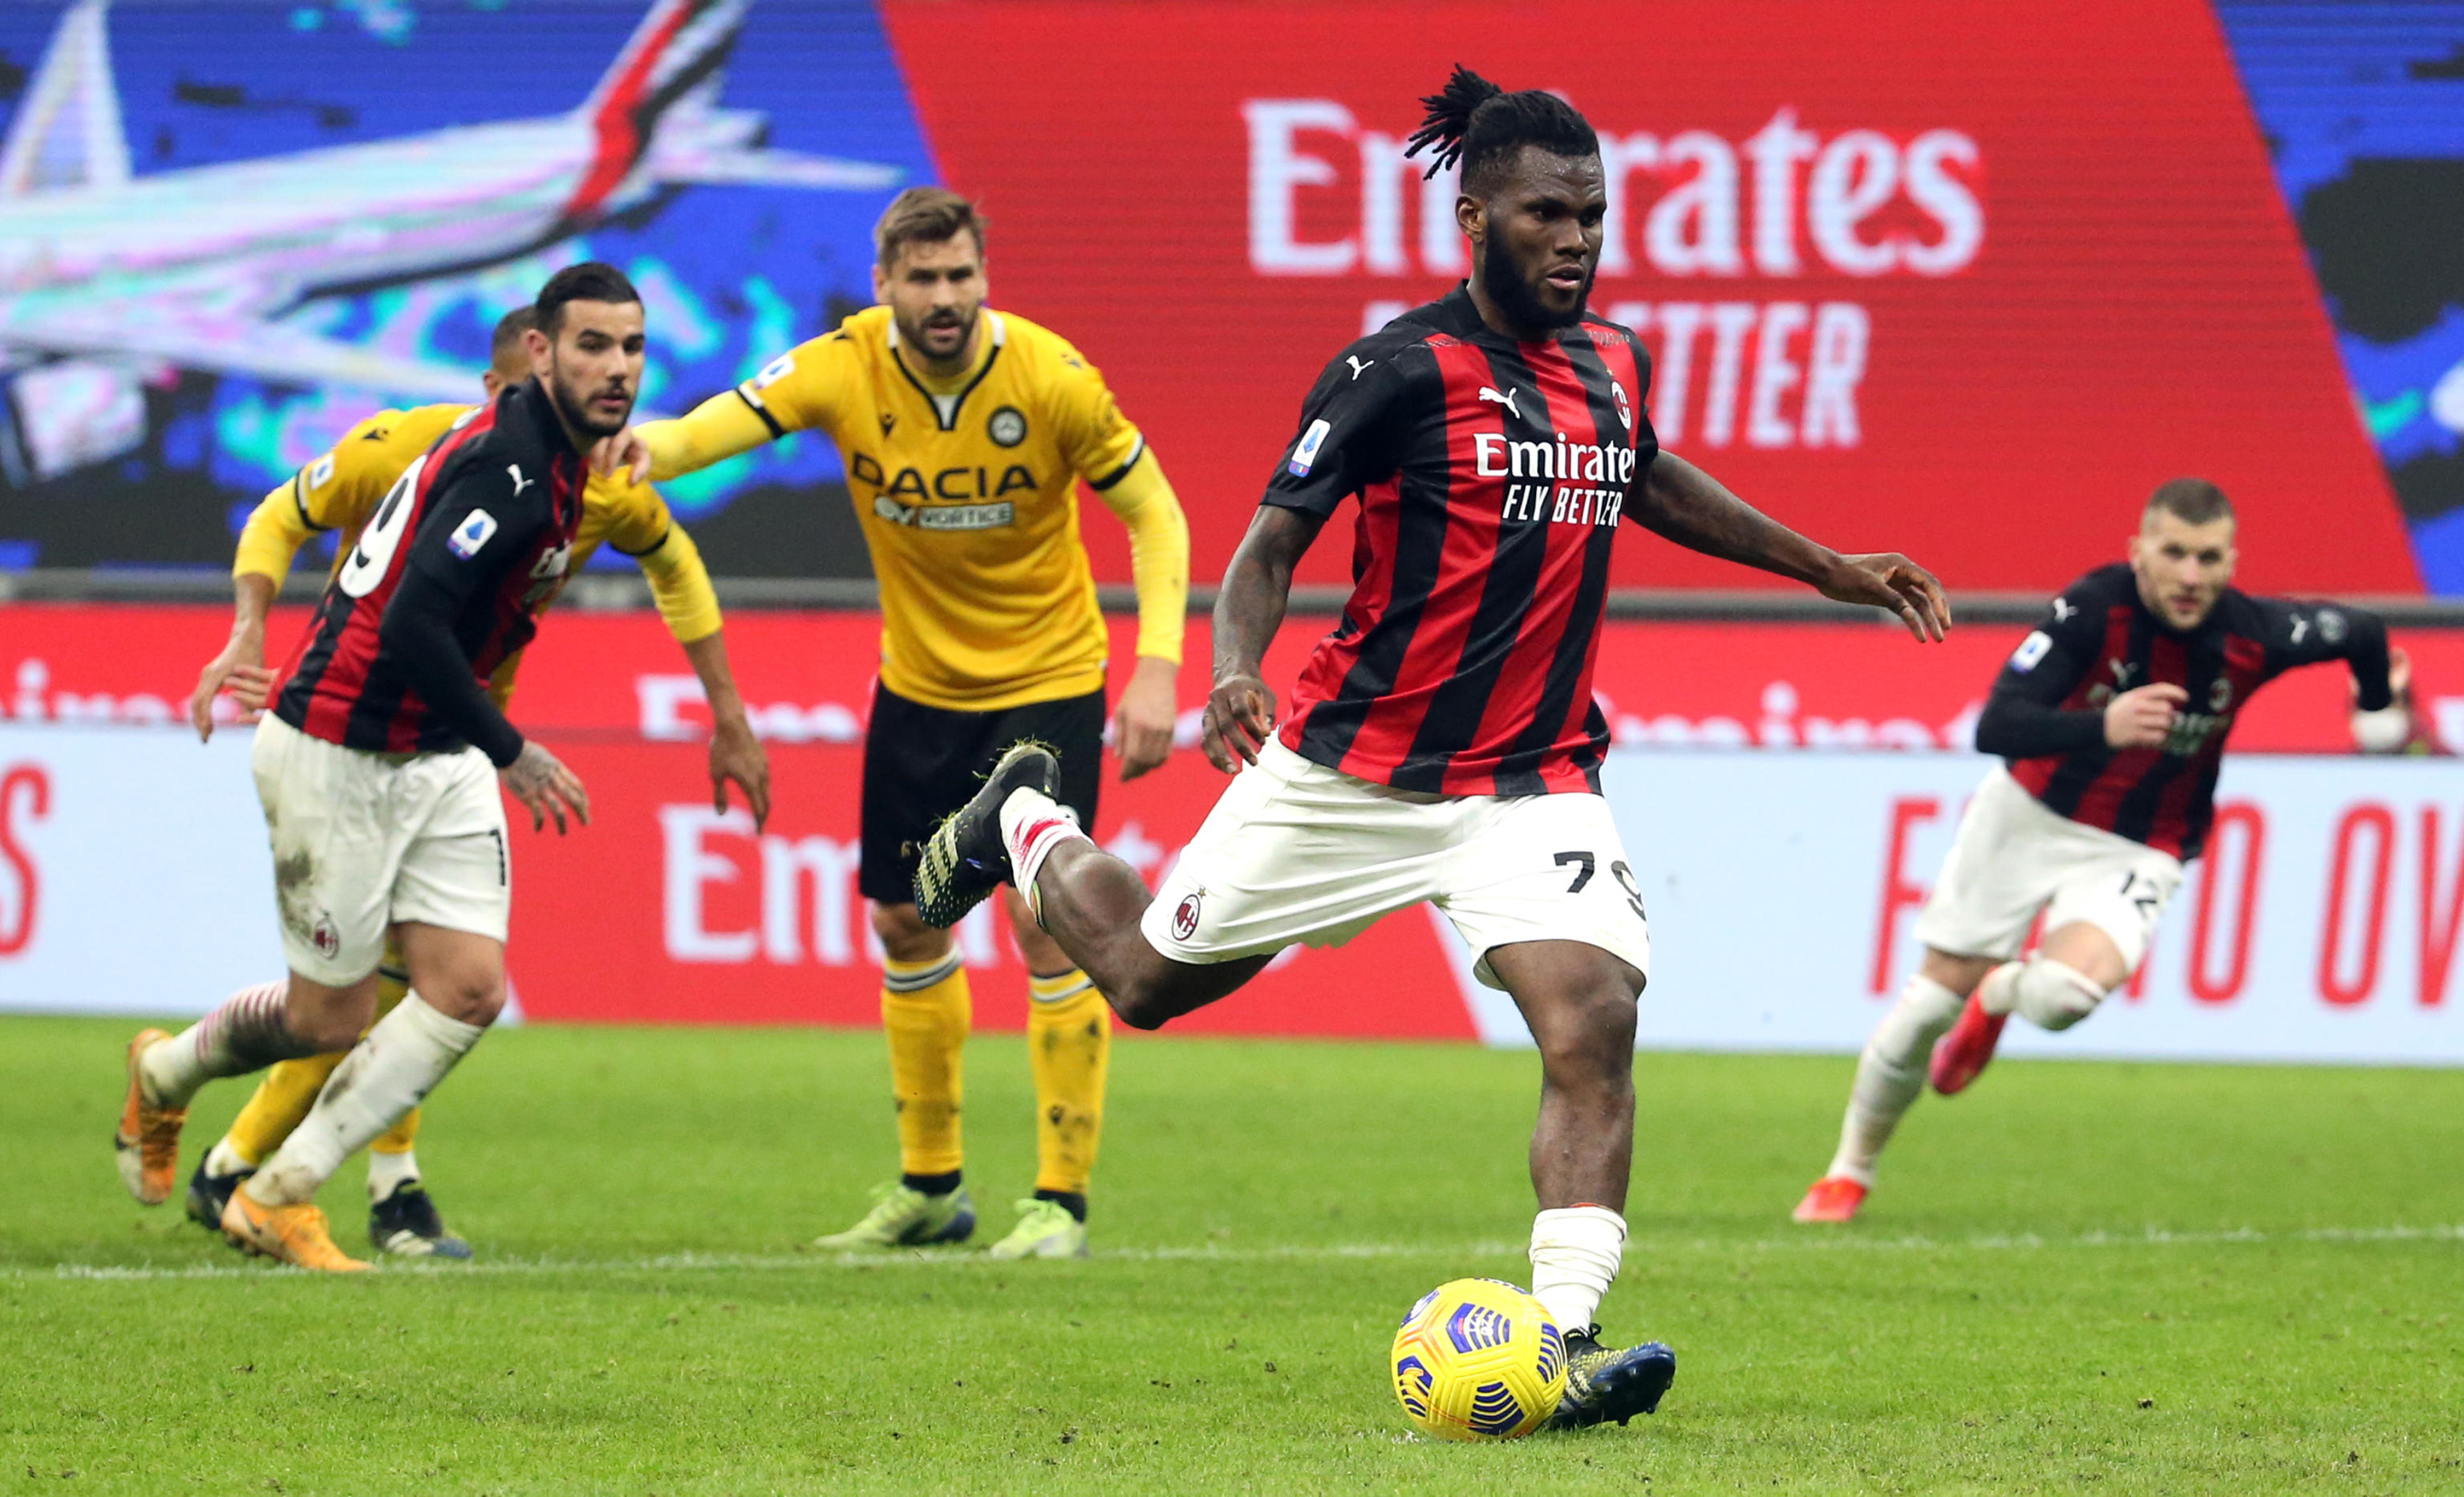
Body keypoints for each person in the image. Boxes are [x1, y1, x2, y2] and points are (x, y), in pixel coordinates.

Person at [906, 70, 1949, 1428]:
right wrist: (1234, 670)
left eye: (1594, 215)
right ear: (1473, 214)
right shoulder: (1393, 370)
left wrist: (1828, 569)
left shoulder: (1613, 360)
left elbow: (1646, 475)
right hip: (1355, 771)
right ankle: (1025, 823)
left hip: (1533, 780)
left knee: (1593, 1017)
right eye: (1546, 215)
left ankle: (1560, 1341)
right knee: (1147, 982)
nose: (1576, 240)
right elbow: (1268, 545)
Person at [609, 188, 1190, 1260]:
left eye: (961, 276)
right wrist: (646, 448)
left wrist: (1158, 669)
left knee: (1043, 921)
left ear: (983, 277)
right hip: (918, 689)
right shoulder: (842, 363)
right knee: (906, 923)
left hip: (1047, 683)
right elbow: (712, 426)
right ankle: (932, 1188)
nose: (945, 298)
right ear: (883, 287)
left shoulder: (1052, 378)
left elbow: (1154, 511)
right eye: (922, 279)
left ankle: (1058, 1201)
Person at [161, 305, 770, 1259]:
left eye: (630, 350)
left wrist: (728, 714)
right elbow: (284, 514)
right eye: (588, 352)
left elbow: (676, 562)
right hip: (362, 730)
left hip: (455, 739)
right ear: (515, 382)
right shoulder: (423, 445)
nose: (612, 372)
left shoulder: (593, 484)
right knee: (348, 1004)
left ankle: (320, 1182)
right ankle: (221, 1133)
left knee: (448, 986)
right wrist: (248, 628)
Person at [1793, 479, 2393, 1225]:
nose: (2190, 575)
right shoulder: (2092, 608)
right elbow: (1997, 723)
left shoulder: (2258, 633)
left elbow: (2363, 631)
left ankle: (1999, 996)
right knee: (1923, 1012)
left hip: (2141, 845)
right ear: (2138, 550)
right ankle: (1848, 1174)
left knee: (2064, 999)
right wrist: (2101, 727)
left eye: (2208, 558)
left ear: (2231, 561)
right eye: (2173, 553)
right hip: (2030, 817)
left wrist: (2376, 712)